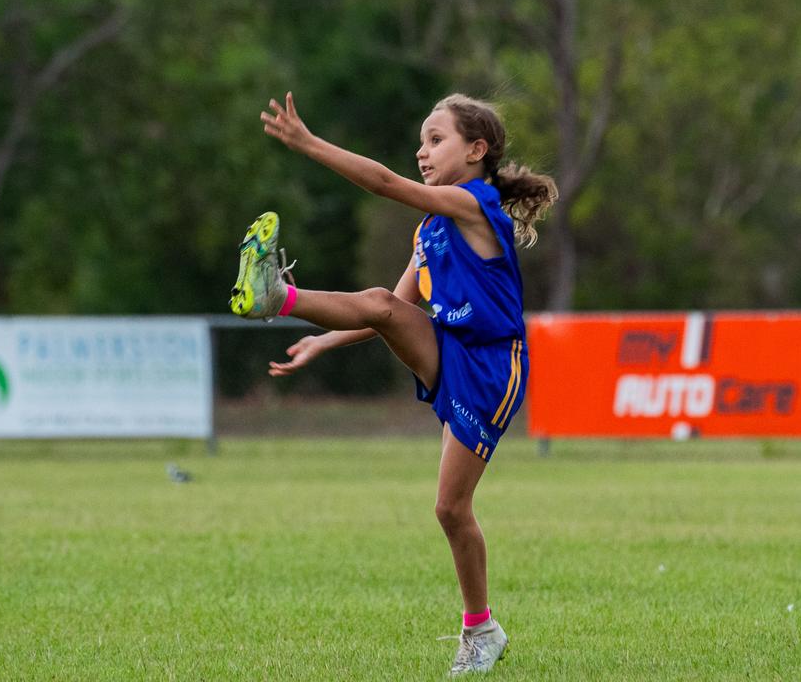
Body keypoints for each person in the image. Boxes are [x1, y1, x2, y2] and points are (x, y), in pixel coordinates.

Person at [231, 92, 557, 676]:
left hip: (491, 366)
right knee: (382, 301)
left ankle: (481, 631)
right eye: (422, 140)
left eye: (437, 140)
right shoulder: (430, 229)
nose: (422, 150)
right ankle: (279, 298)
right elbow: (386, 310)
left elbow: (383, 182)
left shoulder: (473, 204)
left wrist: (310, 144)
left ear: (477, 150)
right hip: (451, 348)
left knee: (450, 509)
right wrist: (322, 340)